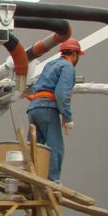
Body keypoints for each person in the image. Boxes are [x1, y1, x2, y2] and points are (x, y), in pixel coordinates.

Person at [26, 39, 82, 183]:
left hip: (34, 108)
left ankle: (30, 176)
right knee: (55, 147)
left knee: (34, 146)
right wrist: (67, 117)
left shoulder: (51, 64)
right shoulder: (67, 67)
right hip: (47, 108)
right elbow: (62, 94)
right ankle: (52, 180)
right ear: (74, 54)